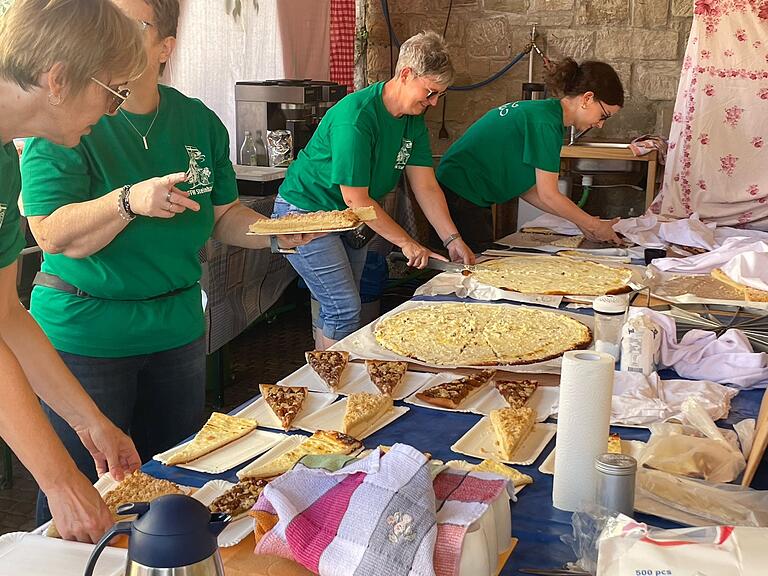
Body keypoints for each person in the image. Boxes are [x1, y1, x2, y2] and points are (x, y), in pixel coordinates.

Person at [20, 0, 315, 526]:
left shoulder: (197, 121)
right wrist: (129, 200)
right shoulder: (65, 119)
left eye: (132, 25)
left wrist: (276, 235)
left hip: (177, 327)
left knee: (175, 476)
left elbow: (223, 217)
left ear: (165, 48)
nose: (111, 34)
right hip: (87, 333)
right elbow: (50, 232)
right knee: (87, 494)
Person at [0, 0, 157, 543]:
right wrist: (61, 481)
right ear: (59, 79)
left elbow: (5, 315)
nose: (115, 110)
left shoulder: (5, 159)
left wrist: (92, 423)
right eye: (112, 90)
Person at [272, 31, 475, 350]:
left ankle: (326, 376)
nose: (434, 102)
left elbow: (426, 186)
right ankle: (330, 386)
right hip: (306, 214)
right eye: (431, 92)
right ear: (406, 74)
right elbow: (356, 197)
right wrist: (407, 244)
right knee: (344, 307)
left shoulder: (412, 121)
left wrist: (453, 239)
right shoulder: (356, 117)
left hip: (349, 218)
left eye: (439, 95)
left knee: (346, 304)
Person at [435, 58, 625, 252]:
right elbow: (548, 195)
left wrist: (583, 223)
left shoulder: (548, 115)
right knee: (476, 265)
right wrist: (594, 225)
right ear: (587, 98)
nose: (600, 124)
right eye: (604, 115)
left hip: (464, 192)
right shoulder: (546, 123)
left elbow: (529, 189)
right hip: (459, 193)